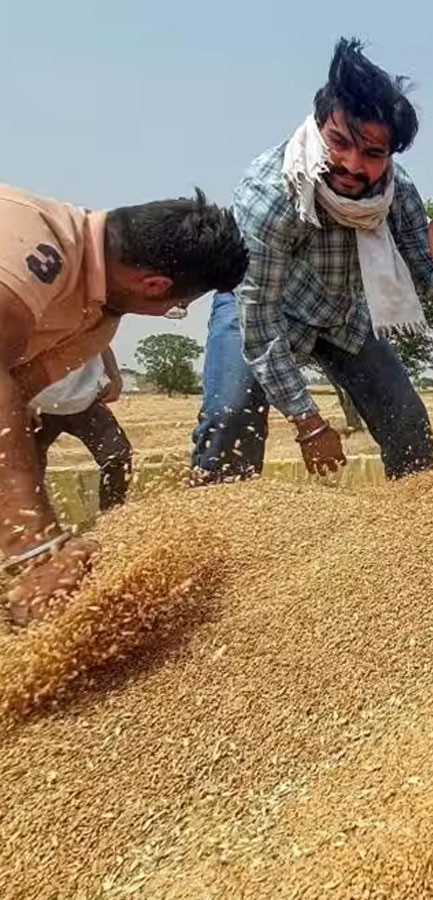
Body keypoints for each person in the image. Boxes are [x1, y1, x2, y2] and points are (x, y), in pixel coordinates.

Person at [190, 37, 433, 485]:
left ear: (392, 155)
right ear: (319, 124)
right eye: (339, 142)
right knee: (229, 420)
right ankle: (211, 536)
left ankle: (422, 535)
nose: (352, 164)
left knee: (408, 423)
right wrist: (309, 422)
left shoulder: (396, 194)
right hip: (264, 309)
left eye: (373, 154)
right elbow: (260, 326)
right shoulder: (272, 194)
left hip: (341, 317)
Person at [1, 183, 248, 628]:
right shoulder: (33, 243)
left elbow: (17, 394)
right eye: (179, 306)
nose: (175, 311)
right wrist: (36, 548)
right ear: (154, 285)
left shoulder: (97, 322)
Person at [28, 347, 133, 513]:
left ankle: (112, 518)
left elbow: (102, 341)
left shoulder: (92, 320)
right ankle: (30, 528)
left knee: (118, 456)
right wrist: (19, 398)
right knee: (25, 468)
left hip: (86, 399)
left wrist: (115, 377)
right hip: (37, 404)